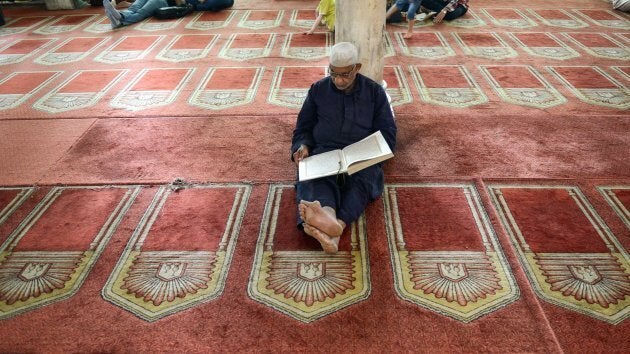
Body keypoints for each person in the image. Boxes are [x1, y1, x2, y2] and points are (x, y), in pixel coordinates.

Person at [291, 42, 397, 254]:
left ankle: (332, 227)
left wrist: (373, 153)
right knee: (312, 179)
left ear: (357, 67)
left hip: (360, 155)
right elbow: (303, 127)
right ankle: (331, 223)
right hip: (324, 151)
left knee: (362, 181)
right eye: (334, 74)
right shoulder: (318, 90)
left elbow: (387, 132)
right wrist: (302, 146)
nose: (339, 80)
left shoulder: (375, 93)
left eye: (345, 75)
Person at [102, 0, 233, 28]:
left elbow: (227, 1)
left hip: (165, 2)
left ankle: (123, 19)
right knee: (136, 5)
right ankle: (119, 16)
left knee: (145, 9)